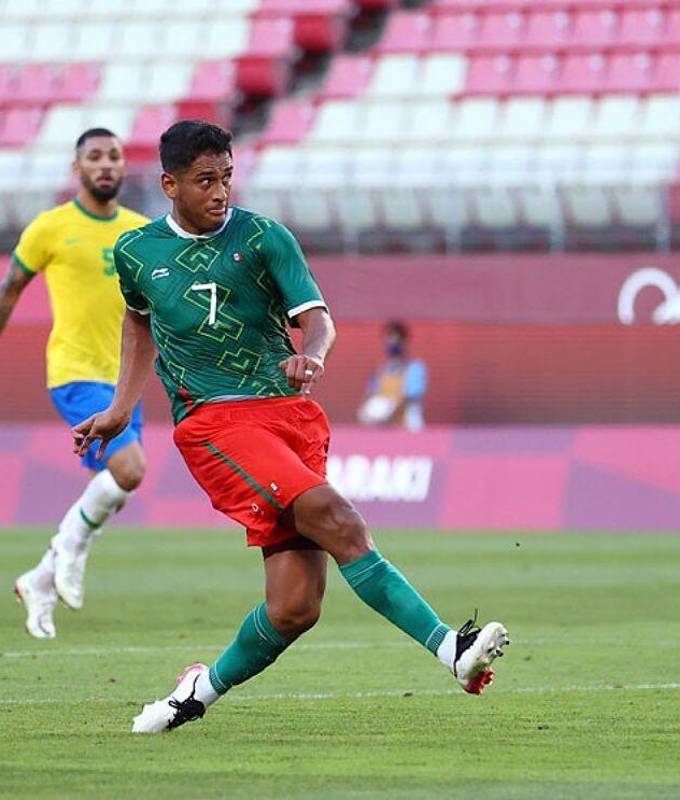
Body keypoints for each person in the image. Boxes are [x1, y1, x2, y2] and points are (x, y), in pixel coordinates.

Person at [71, 121, 508, 734]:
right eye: (205, 181)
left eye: (226, 176)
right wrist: (122, 407)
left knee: (296, 608)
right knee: (339, 518)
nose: (220, 191)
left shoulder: (265, 237)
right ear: (170, 184)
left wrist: (316, 354)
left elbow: (317, 319)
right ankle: (450, 649)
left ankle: (195, 693)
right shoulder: (138, 254)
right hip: (215, 422)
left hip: (289, 416)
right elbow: (139, 323)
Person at [0, 129, 150, 639]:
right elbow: (11, 287)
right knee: (129, 470)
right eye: (94, 157)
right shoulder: (51, 227)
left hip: (125, 378)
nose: (106, 164)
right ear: (77, 169)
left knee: (110, 489)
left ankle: (39, 579)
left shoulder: (141, 231)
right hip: (75, 371)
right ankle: (69, 549)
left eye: (114, 156)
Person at [357, 320, 428, 431]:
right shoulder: (381, 371)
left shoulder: (415, 368)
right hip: (383, 424)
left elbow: (409, 398)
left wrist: (391, 416)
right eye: (389, 339)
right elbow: (371, 395)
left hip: (406, 424)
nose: (392, 343)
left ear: (404, 341)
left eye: (396, 339)